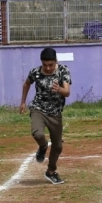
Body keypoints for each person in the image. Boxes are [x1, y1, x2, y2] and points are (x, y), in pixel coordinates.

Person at [20, 47, 72, 185]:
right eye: (45, 65)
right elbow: (26, 84)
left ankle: (51, 172)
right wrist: (23, 102)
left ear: (56, 62)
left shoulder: (63, 71)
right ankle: (43, 146)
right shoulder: (35, 72)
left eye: (51, 65)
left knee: (58, 147)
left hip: (55, 113)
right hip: (39, 109)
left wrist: (59, 89)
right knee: (37, 134)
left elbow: (67, 92)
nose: (48, 68)